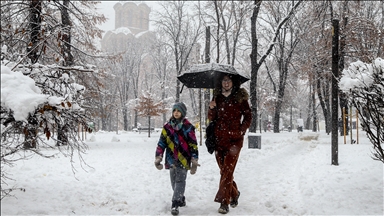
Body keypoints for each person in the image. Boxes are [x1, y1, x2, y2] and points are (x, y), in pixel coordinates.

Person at [208, 74, 252, 214]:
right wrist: (211, 108)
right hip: (219, 139)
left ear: (233, 82)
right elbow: (211, 118)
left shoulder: (240, 98)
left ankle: (224, 202)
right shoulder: (217, 98)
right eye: (224, 80)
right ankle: (234, 193)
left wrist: (241, 130)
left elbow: (248, 115)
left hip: (234, 140)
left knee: (227, 170)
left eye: (228, 80)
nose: (226, 83)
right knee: (224, 170)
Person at [154, 102, 199, 216]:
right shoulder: (167, 127)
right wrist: (158, 157)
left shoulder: (188, 127)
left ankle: (175, 204)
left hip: (184, 159)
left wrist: (194, 159)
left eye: (178, 111)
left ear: (183, 113)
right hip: (171, 159)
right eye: (174, 111)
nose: (176, 113)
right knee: (173, 182)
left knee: (180, 181)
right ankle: (181, 198)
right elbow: (161, 143)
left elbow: (193, 144)